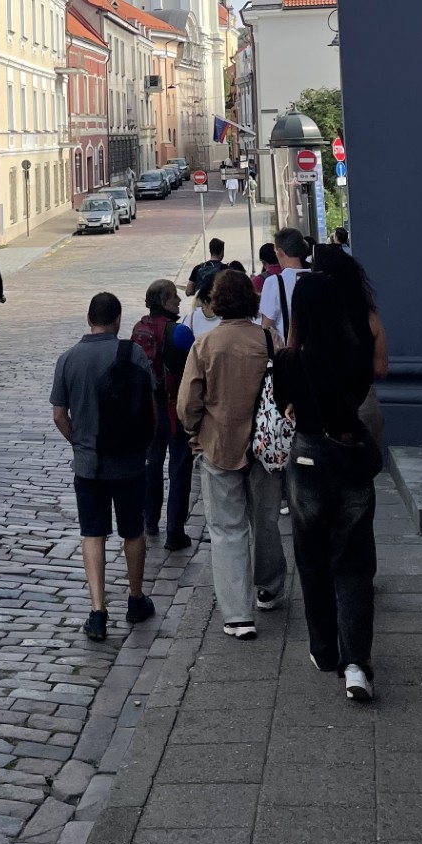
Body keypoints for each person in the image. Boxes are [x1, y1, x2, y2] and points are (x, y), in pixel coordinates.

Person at [272, 260, 381, 702]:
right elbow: (360, 394)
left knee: (312, 557)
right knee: (354, 563)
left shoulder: (288, 360)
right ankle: (357, 663)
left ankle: (323, 648)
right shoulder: (355, 353)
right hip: (350, 455)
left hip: (308, 459)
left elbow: (286, 407)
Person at [176, 268, 288, 639]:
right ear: (252, 301)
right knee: (266, 520)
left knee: (227, 529)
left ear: (216, 302)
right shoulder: (269, 339)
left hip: (219, 444)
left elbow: (187, 404)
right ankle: (269, 586)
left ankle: (238, 614)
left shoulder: (205, 345)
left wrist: (196, 434)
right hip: (266, 446)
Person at [51, 291, 157, 642]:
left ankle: (98, 611)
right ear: (117, 320)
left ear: (88, 319)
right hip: (128, 462)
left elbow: (59, 415)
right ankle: (136, 598)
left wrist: (78, 441)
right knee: (133, 531)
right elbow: (151, 409)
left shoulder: (68, 359)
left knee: (92, 534)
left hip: (89, 464)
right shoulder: (134, 354)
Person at [133, 280, 194, 553]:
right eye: (173, 297)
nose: (179, 301)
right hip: (174, 407)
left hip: (149, 408)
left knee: (152, 464)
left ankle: (149, 520)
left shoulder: (139, 329)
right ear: (164, 302)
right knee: (180, 468)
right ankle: (174, 531)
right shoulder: (179, 332)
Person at [312, 244, 388, 446]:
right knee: (364, 472)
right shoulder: (369, 315)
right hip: (364, 403)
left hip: (323, 406)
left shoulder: (314, 317)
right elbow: (381, 368)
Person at [259, 227, 311, 337]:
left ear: (280, 252)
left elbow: (267, 326)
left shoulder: (274, 283)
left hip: (288, 350)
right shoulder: (319, 277)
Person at [186, 238, 225, 305]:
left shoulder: (198, 268)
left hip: (201, 306)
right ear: (222, 251)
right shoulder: (226, 270)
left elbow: (188, 292)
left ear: (210, 251)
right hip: (218, 306)